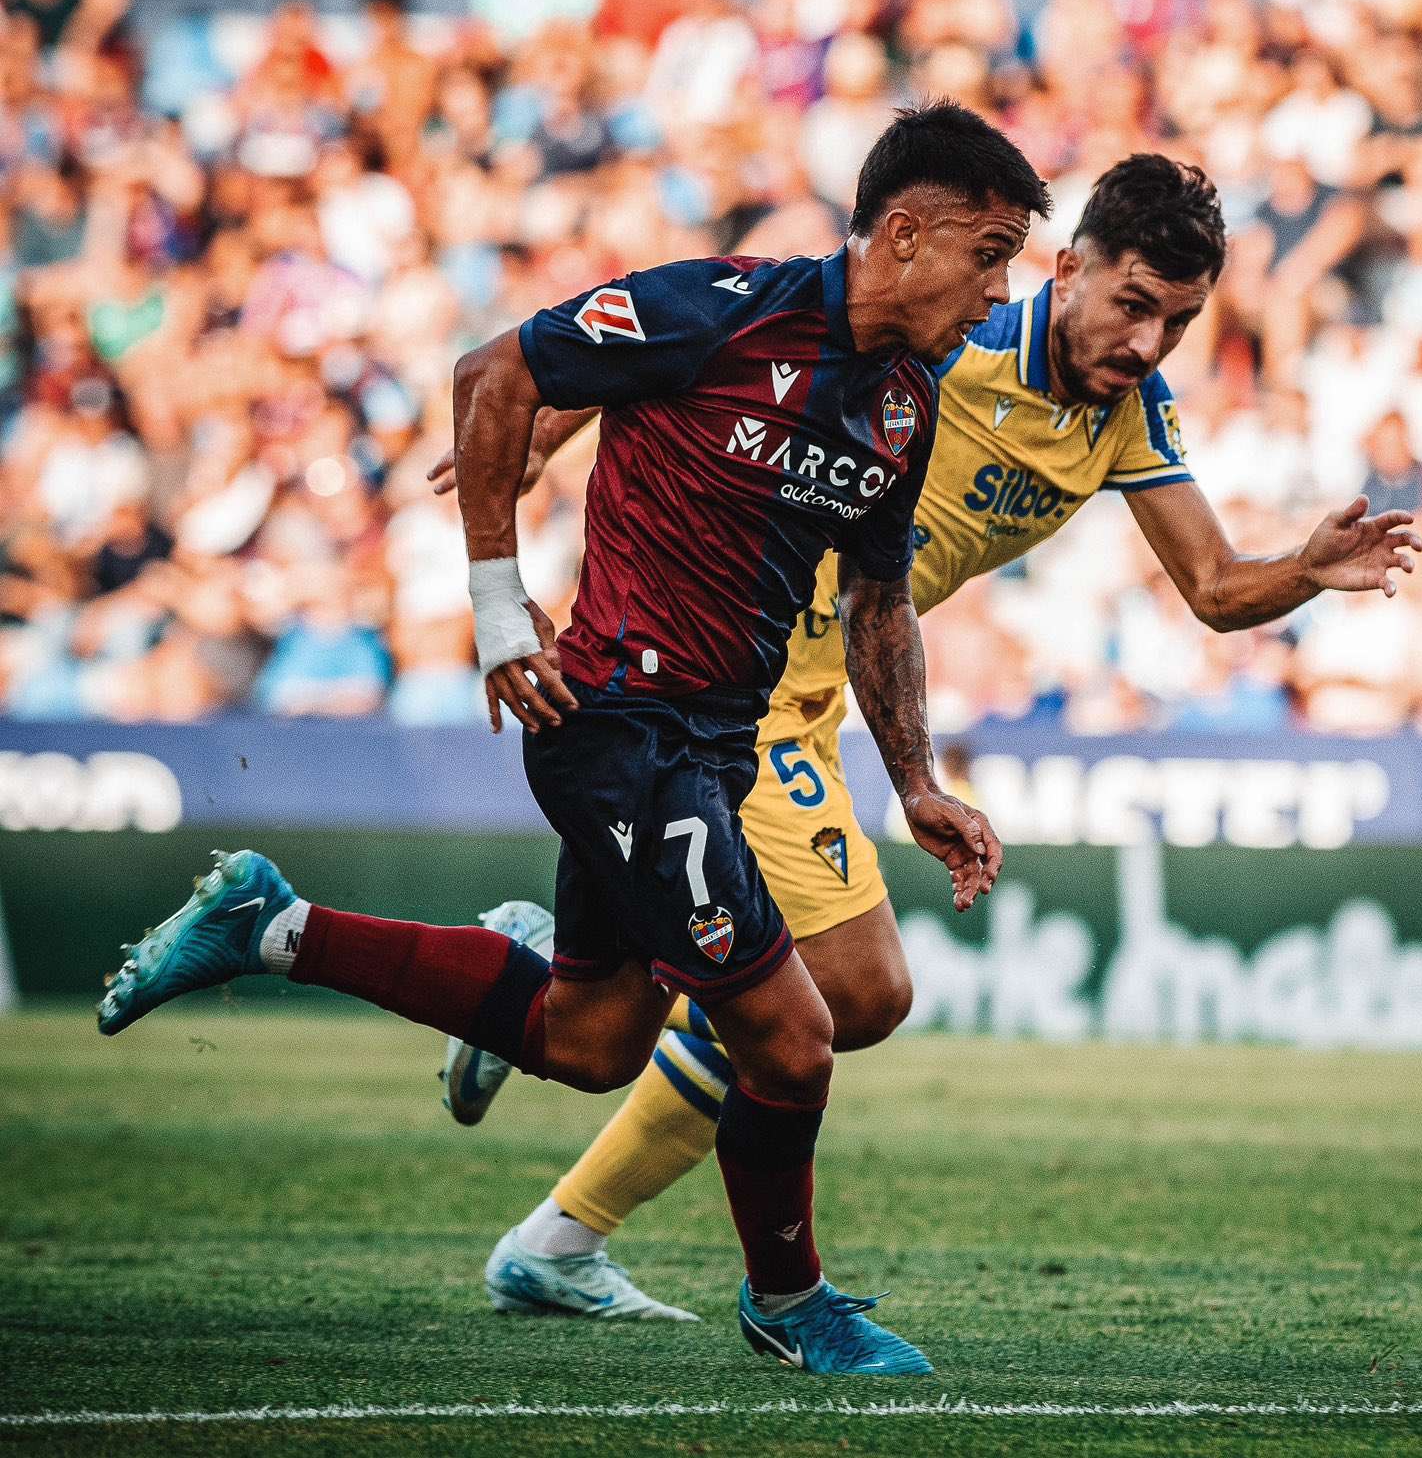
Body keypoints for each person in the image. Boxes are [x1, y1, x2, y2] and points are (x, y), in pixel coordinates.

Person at [94, 103, 1053, 1377]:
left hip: (709, 745)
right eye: (988, 255)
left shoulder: (898, 408)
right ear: (905, 232)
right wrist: (499, 616)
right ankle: (793, 1302)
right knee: (796, 1032)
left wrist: (916, 780)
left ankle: (272, 926)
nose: (999, 295)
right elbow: (495, 374)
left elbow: (879, 606)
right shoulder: (720, 307)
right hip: (617, 725)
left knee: (590, 1040)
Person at [432, 156, 1422, 1322]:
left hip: (810, 700)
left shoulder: (1126, 419)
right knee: (849, 995)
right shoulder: (954, 324)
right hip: (729, 677)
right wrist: (555, 419)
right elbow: (751, 331)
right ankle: (568, 1200)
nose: (1151, 343)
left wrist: (1301, 574)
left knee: (806, 1004)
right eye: (1134, 305)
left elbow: (1211, 587)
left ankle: (558, 1136)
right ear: (1071, 269)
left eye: (1181, 321)